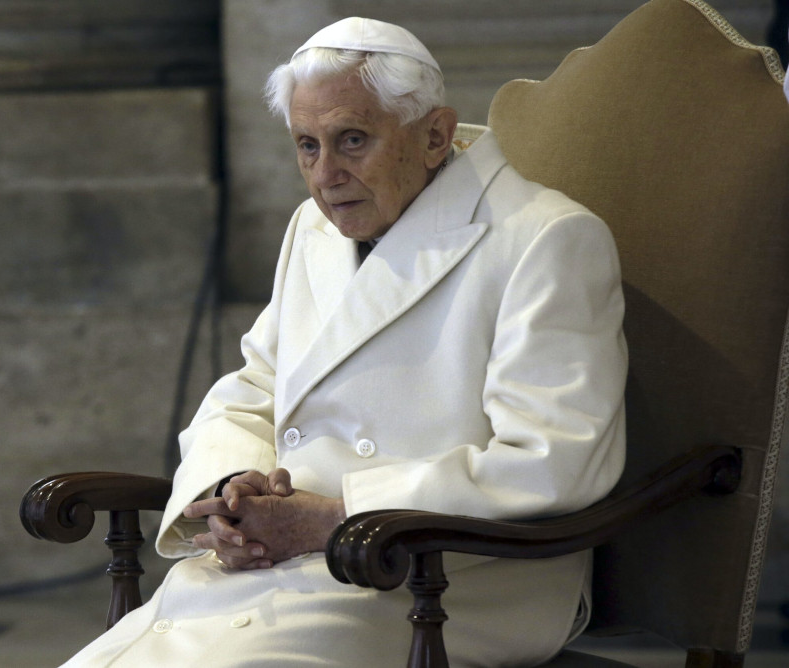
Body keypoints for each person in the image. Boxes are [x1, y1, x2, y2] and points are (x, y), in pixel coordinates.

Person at [62, 17, 626, 667]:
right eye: (307, 145)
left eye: (351, 140)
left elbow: (555, 461)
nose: (325, 175)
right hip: (286, 566)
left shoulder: (544, 239)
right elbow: (256, 386)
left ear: (435, 135)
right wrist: (231, 490)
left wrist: (335, 516)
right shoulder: (314, 229)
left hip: (436, 581)